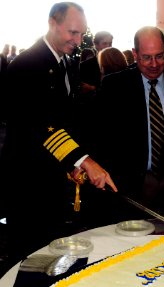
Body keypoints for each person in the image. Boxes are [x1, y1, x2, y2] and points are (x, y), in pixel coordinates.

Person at [0, 1, 117, 269]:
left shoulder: (64, 62)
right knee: (28, 258)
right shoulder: (27, 65)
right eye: (72, 33)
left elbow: (66, 119)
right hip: (27, 182)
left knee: (50, 254)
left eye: (81, 34)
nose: (78, 40)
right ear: (53, 23)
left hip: (50, 177)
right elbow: (42, 126)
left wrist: (71, 164)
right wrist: (84, 161)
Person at [90, 26, 164, 217]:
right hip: (131, 188)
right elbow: (100, 138)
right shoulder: (115, 87)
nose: (154, 64)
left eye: (160, 56)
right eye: (146, 57)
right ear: (135, 54)